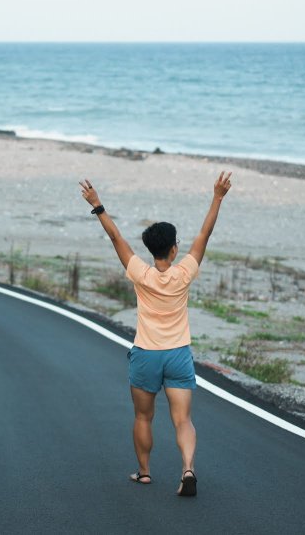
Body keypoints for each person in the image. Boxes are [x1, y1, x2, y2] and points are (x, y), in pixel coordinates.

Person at [80, 172, 232, 497]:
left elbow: (115, 237)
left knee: (143, 416)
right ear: (175, 249)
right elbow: (205, 233)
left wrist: (98, 205)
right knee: (183, 420)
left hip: (146, 353)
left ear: (151, 250)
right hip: (178, 354)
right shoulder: (185, 273)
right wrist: (218, 196)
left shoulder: (140, 273)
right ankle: (188, 468)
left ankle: (145, 472)